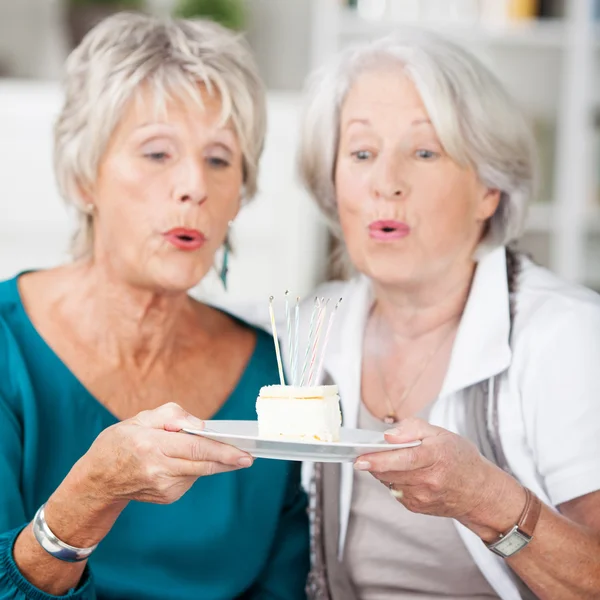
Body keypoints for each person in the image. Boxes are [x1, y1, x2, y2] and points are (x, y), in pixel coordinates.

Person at [0, 13, 308, 600]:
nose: (194, 184)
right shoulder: (5, 345)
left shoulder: (276, 376)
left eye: (220, 159)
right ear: (83, 179)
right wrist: (90, 493)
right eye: (157, 153)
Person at [297, 30, 600, 600]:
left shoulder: (568, 335)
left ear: (489, 188)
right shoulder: (313, 328)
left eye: (425, 151)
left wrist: (489, 501)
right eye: (361, 153)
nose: (386, 182)